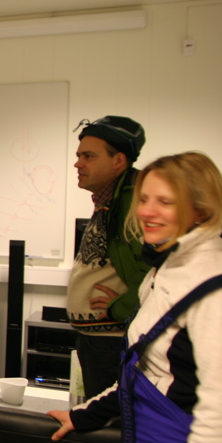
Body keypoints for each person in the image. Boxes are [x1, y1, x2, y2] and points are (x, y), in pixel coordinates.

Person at [48, 152, 222, 443]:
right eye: (144, 199)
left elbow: (220, 413)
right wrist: (83, 415)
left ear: (201, 210)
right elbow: (146, 372)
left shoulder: (215, 288)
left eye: (165, 202)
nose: (146, 211)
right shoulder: (164, 270)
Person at [67, 116, 151, 399]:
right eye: (79, 156)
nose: (78, 164)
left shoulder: (133, 201)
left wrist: (121, 308)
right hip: (99, 341)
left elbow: (157, 270)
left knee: (107, 421)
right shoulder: (111, 200)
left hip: (112, 342)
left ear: (118, 160)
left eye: (88, 156)